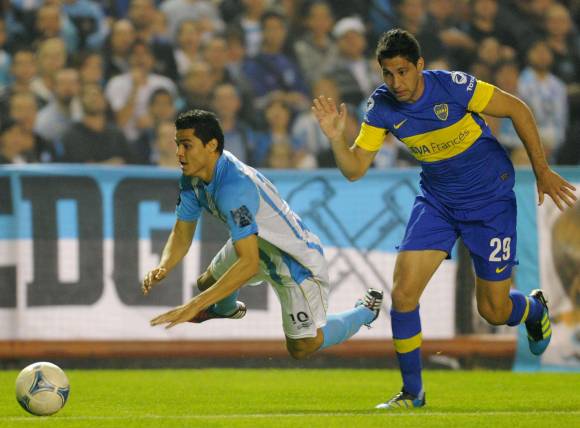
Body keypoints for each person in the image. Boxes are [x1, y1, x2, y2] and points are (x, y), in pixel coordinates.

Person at [312, 28, 577, 409]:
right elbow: (354, 169)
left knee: (493, 310)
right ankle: (413, 393)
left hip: (490, 200)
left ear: (419, 65)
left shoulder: (454, 87)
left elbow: (517, 109)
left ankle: (534, 310)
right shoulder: (382, 106)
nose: (396, 82)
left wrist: (542, 170)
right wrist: (337, 138)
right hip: (437, 202)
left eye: (403, 72)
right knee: (404, 294)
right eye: (388, 73)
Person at [143, 109, 384, 360]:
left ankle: (365, 312)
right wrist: (164, 266)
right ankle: (227, 310)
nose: (179, 153)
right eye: (178, 145)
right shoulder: (193, 178)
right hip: (255, 243)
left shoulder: (234, 189)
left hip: (293, 261)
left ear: (211, 145)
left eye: (186, 145)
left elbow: (248, 264)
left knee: (301, 347)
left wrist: (195, 305)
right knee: (208, 283)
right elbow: (182, 233)